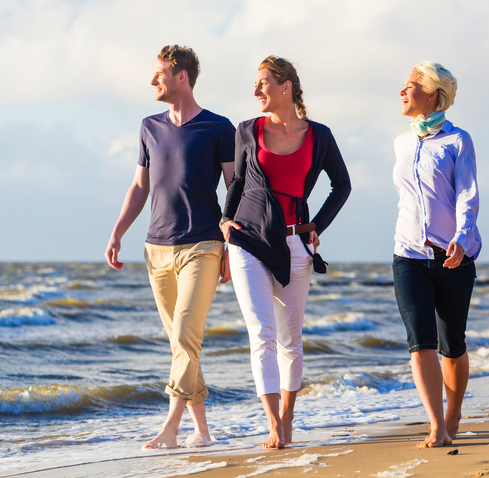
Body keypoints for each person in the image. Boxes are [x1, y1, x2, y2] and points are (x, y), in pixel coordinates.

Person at [105, 45, 235, 450]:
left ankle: (171, 427)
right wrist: (117, 232)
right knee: (182, 343)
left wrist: (231, 245)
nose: (152, 81)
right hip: (156, 249)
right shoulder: (149, 126)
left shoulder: (218, 127)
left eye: (159, 73)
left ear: (182, 77)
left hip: (203, 244)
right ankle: (204, 432)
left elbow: (235, 189)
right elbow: (140, 186)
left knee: (184, 336)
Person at [220, 56, 350, 450]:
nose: (256, 91)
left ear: (286, 87)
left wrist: (316, 227)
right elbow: (238, 183)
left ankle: (289, 416)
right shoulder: (247, 130)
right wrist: (225, 224)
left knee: (290, 339)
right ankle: (273, 422)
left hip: (295, 242)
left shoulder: (320, 136)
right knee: (262, 333)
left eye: (263, 83)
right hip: (248, 243)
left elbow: (341, 186)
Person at [392, 61, 481, 449]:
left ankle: (453, 412)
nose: (402, 91)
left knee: (452, 344)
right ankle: (435, 425)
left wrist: (461, 238)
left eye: (410, 85)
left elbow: (467, 195)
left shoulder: (458, 140)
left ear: (431, 94)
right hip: (407, 254)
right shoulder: (402, 142)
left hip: (453, 257)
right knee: (420, 342)